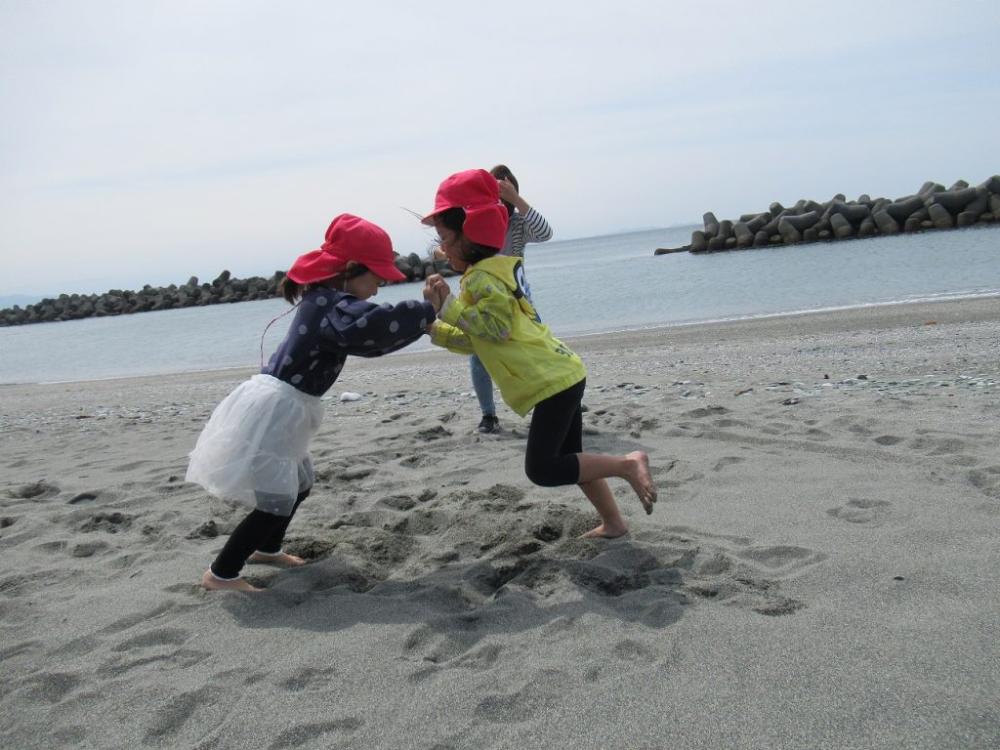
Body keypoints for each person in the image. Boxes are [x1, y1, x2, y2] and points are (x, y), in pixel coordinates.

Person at [186, 214, 440, 591]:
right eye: (377, 277)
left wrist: (424, 317)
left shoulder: (327, 301)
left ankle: (267, 548)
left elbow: (370, 340)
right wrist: (425, 310)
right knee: (275, 497)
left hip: (289, 406)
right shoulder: (331, 305)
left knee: (300, 483)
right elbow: (369, 328)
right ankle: (221, 573)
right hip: (276, 409)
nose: (378, 287)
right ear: (351, 270)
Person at [420, 169, 656, 538]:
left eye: (446, 239)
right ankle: (613, 522)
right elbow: (479, 340)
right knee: (575, 459)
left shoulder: (482, 279)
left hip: (551, 382)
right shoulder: (488, 272)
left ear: (472, 237)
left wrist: (448, 307)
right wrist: (436, 328)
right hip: (562, 372)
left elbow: (493, 328)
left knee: (543, 468)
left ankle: (627, 464)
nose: (441, 248)